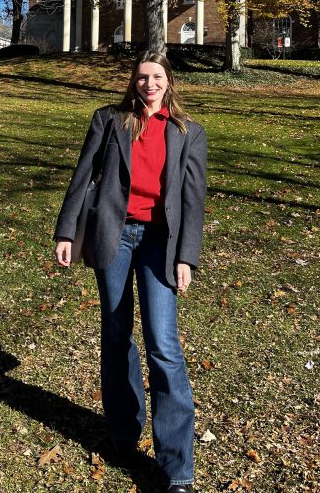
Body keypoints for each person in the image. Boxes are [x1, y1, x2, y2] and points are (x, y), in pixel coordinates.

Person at [54, 51, 207, 493]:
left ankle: (177, 467)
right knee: (117, 333)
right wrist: (67, 231)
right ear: (133, 82)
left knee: (164, 345)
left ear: (169, 82)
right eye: (142, 77)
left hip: (161, 244)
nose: (149, 84)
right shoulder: (108, 120)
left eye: (156, 77)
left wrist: (186, 257)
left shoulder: (189, 133)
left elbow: (193, 201)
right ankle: (123, 433)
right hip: (113, 236)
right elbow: (83, 176)